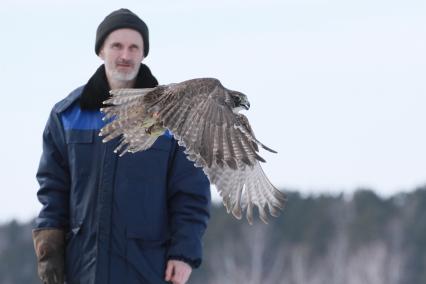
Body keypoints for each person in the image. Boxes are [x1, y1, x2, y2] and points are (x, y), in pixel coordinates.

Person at [32, 8, 211, 284]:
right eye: (117, 46)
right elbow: (53, 189)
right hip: (83, 268)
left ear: (143, 53)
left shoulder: (171, 119)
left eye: (134, 47)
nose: (125, 56)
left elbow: (191, 195)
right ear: (101, 50)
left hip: (148, 268)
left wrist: (184, 253)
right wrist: (49, 246)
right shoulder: (67, 116)